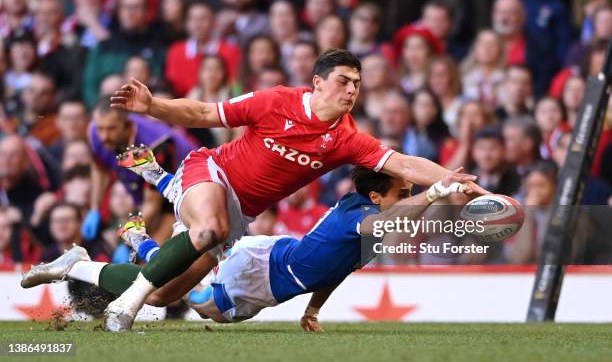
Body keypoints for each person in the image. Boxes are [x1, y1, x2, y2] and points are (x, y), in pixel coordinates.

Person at [95, 49, 486, 331]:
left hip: (241, 211)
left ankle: (76, 265)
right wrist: (152, 106)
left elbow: (404, 163)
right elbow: (203, 113)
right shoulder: (275, 101)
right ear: (317, 83)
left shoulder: (347, 139)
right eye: (343, 81)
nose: (351, 91)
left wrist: (449, 178)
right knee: (208, 230)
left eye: (357, 84)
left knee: (165, 295)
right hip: (211, 170)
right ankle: (126, 306)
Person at [21, 166, 469, 330]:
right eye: (404, 190)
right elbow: (393, 218)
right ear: (378, 198)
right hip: (260, 270)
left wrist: (313, 310)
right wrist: (433, 193)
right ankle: (83, 263)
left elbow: (339, 268)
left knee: (171, 290)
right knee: (167, 295)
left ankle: (138, 245)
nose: (411, 195)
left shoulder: (368, 219)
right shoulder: (363, 218)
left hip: (274, 269)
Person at [82, 99, 195, 241]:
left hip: (185, 189)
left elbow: (153, 204)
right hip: (148, 191)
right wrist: (94, 209)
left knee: (159, 253)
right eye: (100, 128)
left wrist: (127, 240)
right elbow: (100, 169)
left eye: (111, 129)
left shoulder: (156, 146)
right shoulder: (95, 133)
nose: (104, 136)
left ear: (127, 125)